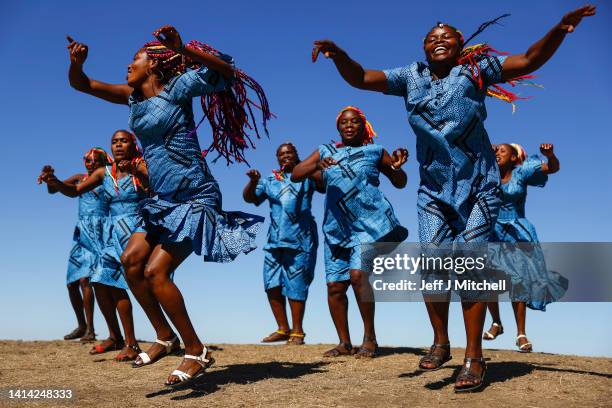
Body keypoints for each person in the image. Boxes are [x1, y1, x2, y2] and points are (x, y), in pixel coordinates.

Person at [311, 4, 595, 391]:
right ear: (424, 48)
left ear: (461, 45)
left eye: (446, 37)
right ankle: (441, 341)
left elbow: (529, 59)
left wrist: (560, 28)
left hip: (479, 186)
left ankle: (474, 356)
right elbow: (361, 77)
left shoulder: (478, 70)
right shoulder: (409, 76)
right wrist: (339, 55)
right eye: (431, 38)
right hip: (433, 191)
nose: (438, 41)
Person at [66, 25, 270, 386]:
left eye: (135, 59)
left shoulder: (179, 89)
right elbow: (83, 86)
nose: (128, 65)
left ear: (154, 64)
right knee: (131, 263)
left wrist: (184, 49)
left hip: (194, 195)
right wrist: (77, 65)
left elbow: (226, 69)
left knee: (155, 272)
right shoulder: (132, 98)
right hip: (161, 202)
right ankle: (165, 336)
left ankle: (196, 350)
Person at [292, 106, 408, 358]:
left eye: (355, 122)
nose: (348, 125)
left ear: (363, 126)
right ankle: (344, 343)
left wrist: (397, 168)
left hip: (368, 225)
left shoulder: (375, 151)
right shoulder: (326, 150)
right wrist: (317, 167)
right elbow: (296, 173)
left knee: (357, 275)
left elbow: (400, 183)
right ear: (338, 127)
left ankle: (370, 339)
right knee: (335, 286)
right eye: (344, 122)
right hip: (336, 228)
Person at [38, 130, 145, 361]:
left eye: (123, 141)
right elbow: (74, 190)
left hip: (133, 230)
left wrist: (139, 173)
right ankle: (115, 337)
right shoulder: (102, 174)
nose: (118, 145)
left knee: (132, 284)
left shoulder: (140, 166)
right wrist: (53, 181)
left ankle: (140, 341)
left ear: (133, 145)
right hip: (106, 234)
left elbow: (154, 188)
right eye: (114, 142)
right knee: (97, 280)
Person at [483, 143, 567, 352]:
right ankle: (496, 322)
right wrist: (485, 148)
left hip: (518, 231)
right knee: (486, 278)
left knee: (518, 282)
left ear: (514, 158)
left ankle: (521, 334)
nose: (498, 153)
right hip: (493, 231)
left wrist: (550, 155)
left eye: (503, 151)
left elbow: (553, 168)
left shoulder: (521, 172)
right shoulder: (487, 173)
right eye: (497, 151)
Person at [243, 143, 320, 345]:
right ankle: (282, 328)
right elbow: (251, 198)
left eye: (289, 152)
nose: (285, 156)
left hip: (301, 238)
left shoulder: (305, 176)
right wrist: (253, 182)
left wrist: (310, 167)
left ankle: (297, 332)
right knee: (271, 282)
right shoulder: (270, 180)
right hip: (274, 239)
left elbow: (323, 185)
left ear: (296, 155)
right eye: (281, 154)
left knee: (296, 283)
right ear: (277, 158)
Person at [37, 147, 110, 342]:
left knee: (86, 280)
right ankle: (81, 325)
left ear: (103, 162)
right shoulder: (79, 178)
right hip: (81, 233)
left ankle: (91, 331)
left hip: (99, 232)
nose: (90, 162)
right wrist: (50, 179)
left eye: (95, 160)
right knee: (71, 283)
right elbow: (55, 190)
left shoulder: (107, 178)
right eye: (87, 159)